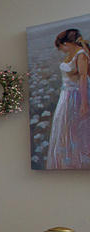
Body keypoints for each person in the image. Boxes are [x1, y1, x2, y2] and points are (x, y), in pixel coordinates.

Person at [46, 28, 90, 169]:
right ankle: (66, 160)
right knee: (65, 128)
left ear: (66, 43)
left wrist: (84, 103)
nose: (62, 51)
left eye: (61, 47)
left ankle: (77, 161)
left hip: (76, 96)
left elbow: (83, 79)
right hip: (65, 96)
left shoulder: (81, 55)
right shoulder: (73, 54)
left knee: (76, 129)